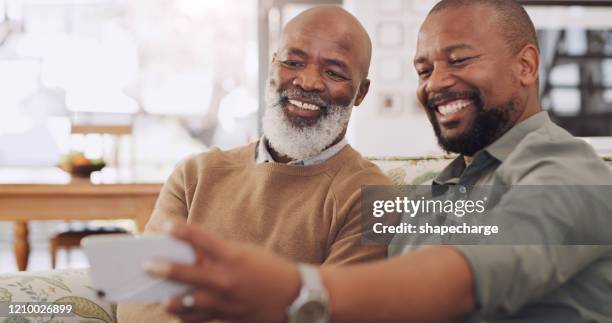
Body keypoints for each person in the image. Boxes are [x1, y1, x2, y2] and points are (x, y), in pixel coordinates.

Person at [143, 1, 612, 322]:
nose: (437, 83)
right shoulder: (440, 193)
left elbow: (466, 276)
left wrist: (292, 290)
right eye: (424, 70)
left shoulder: (573, 176)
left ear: (526, 66)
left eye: (460, 60)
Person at [117, 5, 392, 323]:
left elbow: (332, 315)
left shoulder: (372, 197)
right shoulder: (194, 176)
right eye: (293, 62)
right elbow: (139, 302)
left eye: (334, 72)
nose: (307, 81)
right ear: (273, 64)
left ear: (361, 92)